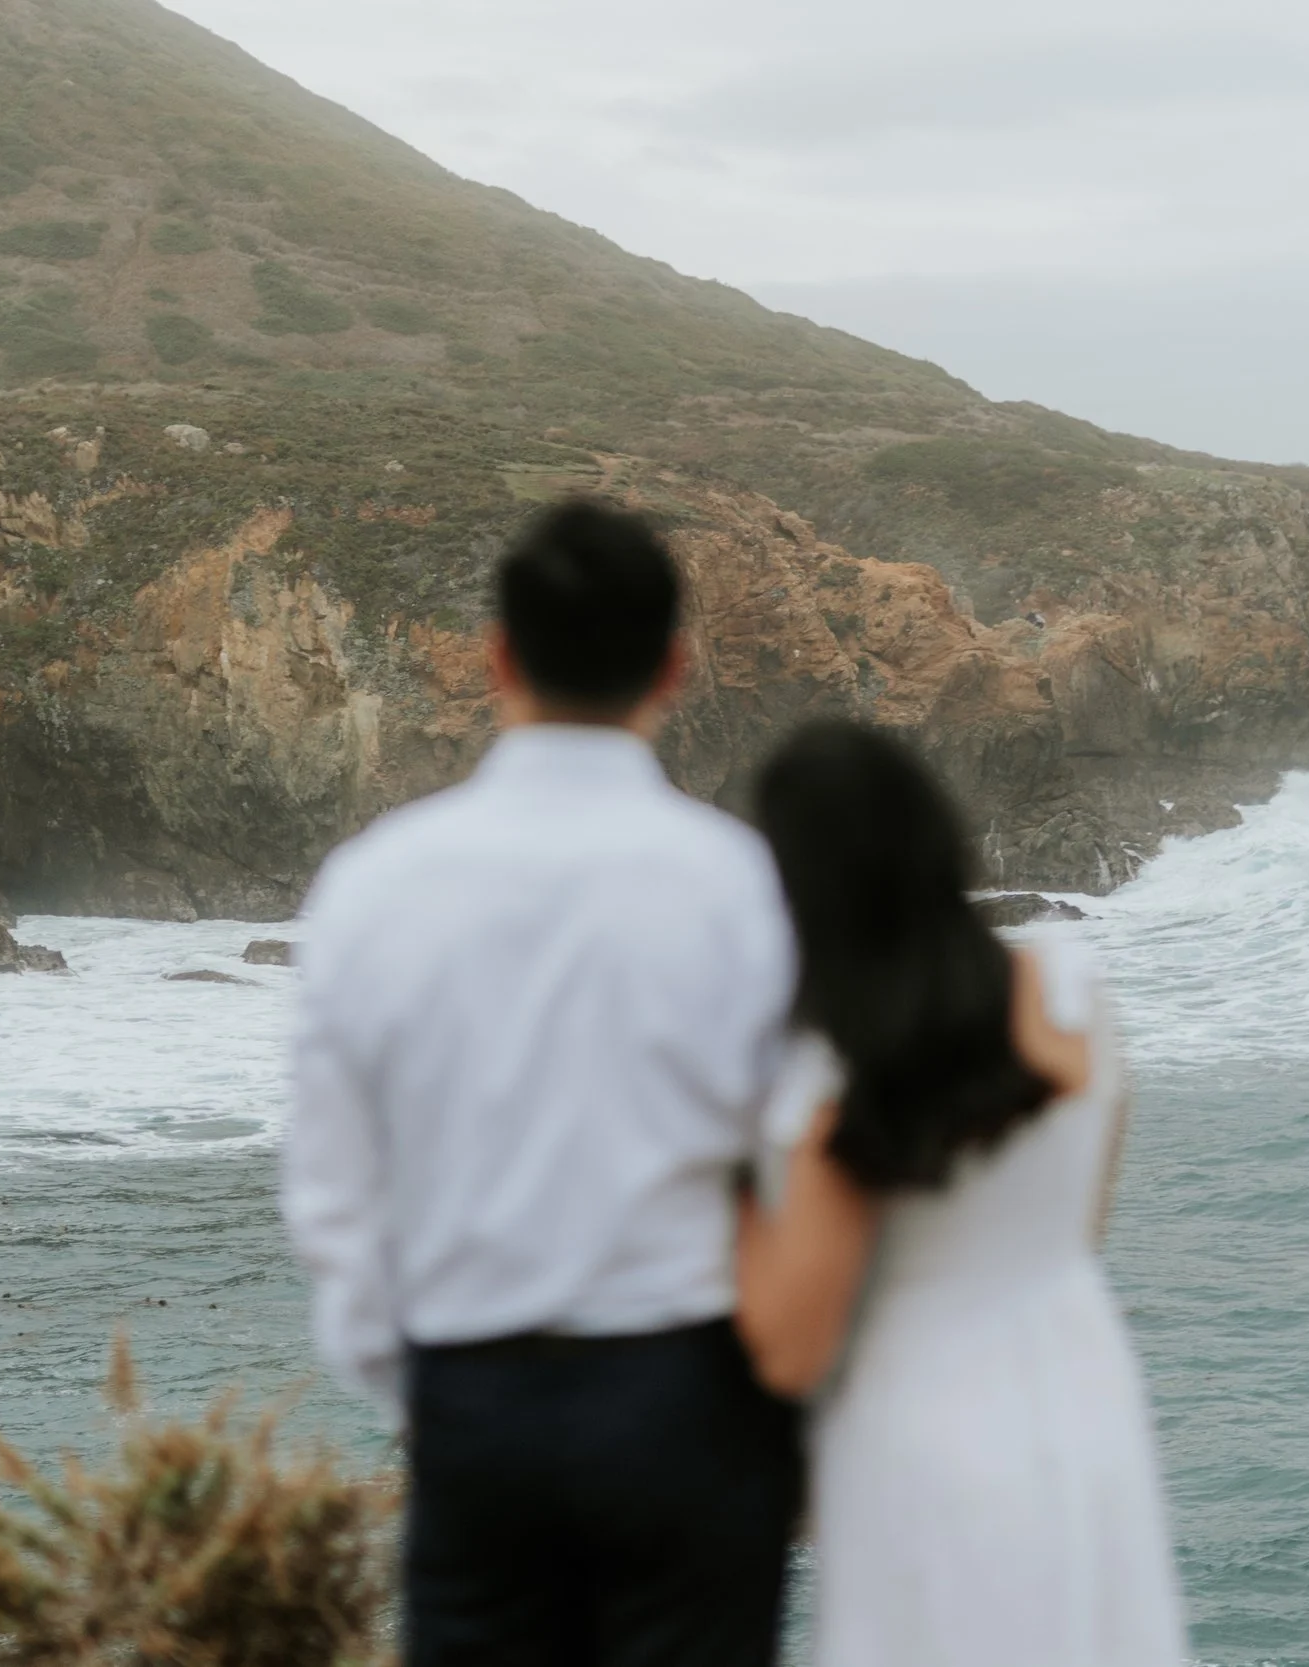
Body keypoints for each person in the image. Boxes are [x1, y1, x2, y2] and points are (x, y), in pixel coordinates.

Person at [283, 499, 803, 1667]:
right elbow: (795, 1165)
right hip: (689, 1395)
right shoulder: (740, 885)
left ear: (498, 656)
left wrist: (416, 1383)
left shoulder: (373, 883)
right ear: (674, 665)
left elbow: (333, 1191)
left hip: (478, 1402)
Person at [735, 721, 1188, 1667]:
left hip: (918, 1429)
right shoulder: (1074, 996)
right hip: (1082, 1398)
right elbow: (1079, 1226)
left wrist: (727, 1193)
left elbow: (790, 1345)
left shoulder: (833, 1088)